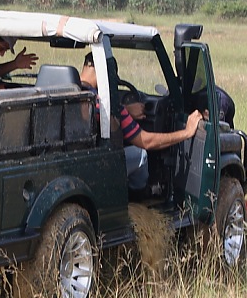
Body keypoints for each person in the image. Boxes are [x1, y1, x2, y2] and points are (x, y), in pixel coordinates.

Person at [81, 52, 202, 194]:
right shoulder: (107, 105)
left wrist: (126, 110)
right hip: (100, 167)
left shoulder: (68, 90)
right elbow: (146, 141)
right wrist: (186, 132)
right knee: (141, 154)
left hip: (83, 160)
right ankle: (139, 195)